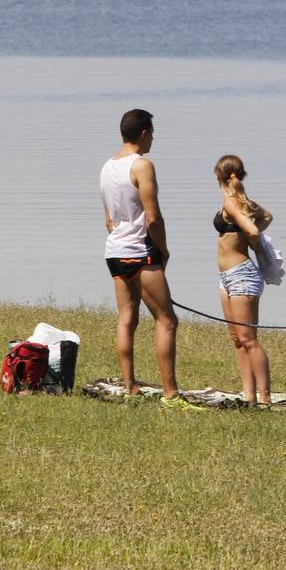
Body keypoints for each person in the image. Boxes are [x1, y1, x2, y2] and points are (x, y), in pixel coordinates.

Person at [100, 108, 190, 411]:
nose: (153, 139)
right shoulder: (142, 166)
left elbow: (108, 220)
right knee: (167, 320)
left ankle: (130, 386)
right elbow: (152, 217)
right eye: (152, 133)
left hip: (115, 251)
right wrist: (163, 250)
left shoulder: (107, 167)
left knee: (127, 318)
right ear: (143, 133)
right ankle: (171, 394)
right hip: (141, 251)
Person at [213, 154, 273, 406]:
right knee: (237, 339)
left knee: (248, 339)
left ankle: (266, 398)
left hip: (242, 275)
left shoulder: (231, 203)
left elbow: (255, 227)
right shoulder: (239, 202)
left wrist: (252, 240)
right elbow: (267, 216)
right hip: (226, 277)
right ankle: (249, 395)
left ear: (219, 176)